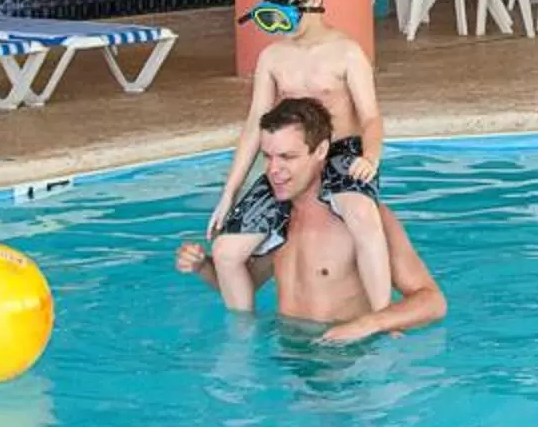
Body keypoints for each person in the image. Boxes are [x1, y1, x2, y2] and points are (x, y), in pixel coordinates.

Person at [199, 0, 392, 312]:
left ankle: (383, 317)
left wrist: (371, 156)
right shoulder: (273, 57)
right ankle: (243, 340)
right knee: (226, 252)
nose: (277, 14)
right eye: (270, 4)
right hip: (290, 162)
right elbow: (255, 124)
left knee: (363, 216)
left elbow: (371, 116)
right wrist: (229, 191)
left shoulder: (347, 53)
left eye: (284, 2)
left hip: (339, 152)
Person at [179, 97, 446, 345]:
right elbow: (244, 286)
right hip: (287, 359)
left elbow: (432, 302)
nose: (273, 170)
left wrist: (368, 324)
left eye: (287, 157)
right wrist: (203, 267)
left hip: (348, 363)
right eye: (268, 157)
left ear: (320, 151)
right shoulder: (276, 222)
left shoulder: (364, 219)